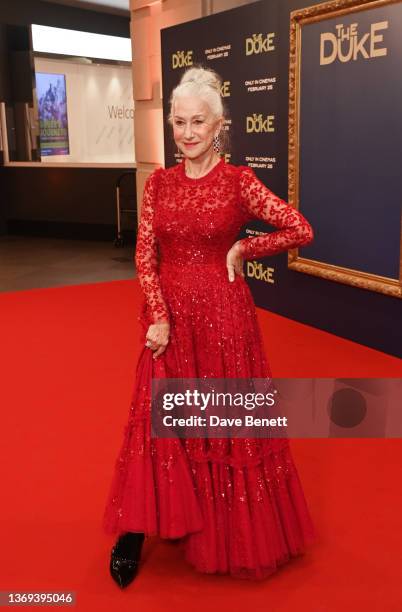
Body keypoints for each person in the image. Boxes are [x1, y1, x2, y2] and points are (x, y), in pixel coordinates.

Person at [102, 65, 317, 588]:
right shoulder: (159, 183)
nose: (188, 133)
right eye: (179, 122)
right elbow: (145, 254)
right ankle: (139, 525)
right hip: (169, 318)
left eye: (199, 122)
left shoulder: (239, 181)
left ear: (220, 123)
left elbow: (299, 228)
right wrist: (157, 314)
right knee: (158, 419)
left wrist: (244, 246)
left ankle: (216, 525)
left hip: (224, 317)